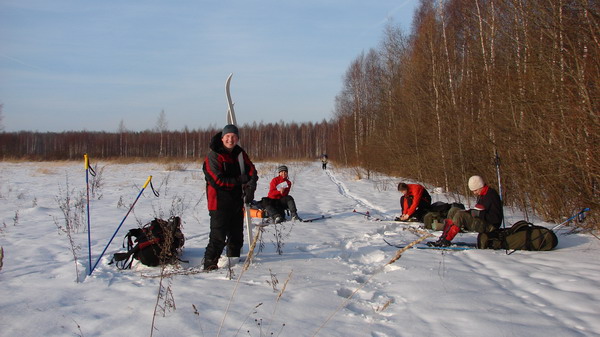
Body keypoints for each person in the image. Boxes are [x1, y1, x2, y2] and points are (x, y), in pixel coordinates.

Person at [202, 124, 258, 271]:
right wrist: (240, 180)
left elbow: (251, 171)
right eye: (227, 136)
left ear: (238, 138)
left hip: (236, 201)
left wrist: (250, 187)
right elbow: (217, 181)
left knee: (236, 234)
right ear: (222, 138)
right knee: (218, 236)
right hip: (218, 202)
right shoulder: (213, 156)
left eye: (233, 137)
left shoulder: (240, 154)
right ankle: (209, 264)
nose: (230, 139)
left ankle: (233, 262)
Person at [430, 175, 503, 247]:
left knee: (460, 215)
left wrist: (478, 214)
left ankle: (446, 240)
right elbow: (479, 210)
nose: (474, 193)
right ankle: (444, 237)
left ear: (481, 187)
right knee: (453, 210)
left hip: (490, 226)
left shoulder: (492, 195)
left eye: (475, 190)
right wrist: (471, 212)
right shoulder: (482, 195)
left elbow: (495, 219)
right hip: (481, 220)